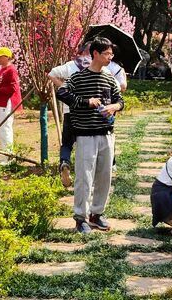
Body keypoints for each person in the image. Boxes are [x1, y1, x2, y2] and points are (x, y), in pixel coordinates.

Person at [56, 37, 124, 234]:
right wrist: (86, 102)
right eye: (107, 54)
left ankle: (97, 214)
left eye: (111, 54)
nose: (110, 57)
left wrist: (114, 107)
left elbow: (120, 100)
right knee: (84, 178)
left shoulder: (109, 78)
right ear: (95, 53)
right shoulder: (78, 78)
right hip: (85, 135)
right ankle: (80, 217)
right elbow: (62, 93)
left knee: (104, 177)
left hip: (107, 134)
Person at [50, 43, 91, 188]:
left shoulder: (71, 65)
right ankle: (83, 173)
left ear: (81, 51)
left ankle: (65, 162)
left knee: (67, 143)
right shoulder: (95, 67)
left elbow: (51, 74)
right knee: (85, 145)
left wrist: (64, 87)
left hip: (69, 111)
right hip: (88, 112)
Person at [0, 47, 22, 163]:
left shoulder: (11, 70)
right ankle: (5, 154)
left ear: (7, 57)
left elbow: (13, 87)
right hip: (0, 102)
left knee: (5, 128)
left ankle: (9, 156)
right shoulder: (2, 69)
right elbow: (0, 83)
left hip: (6, 102)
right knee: (1, 128)